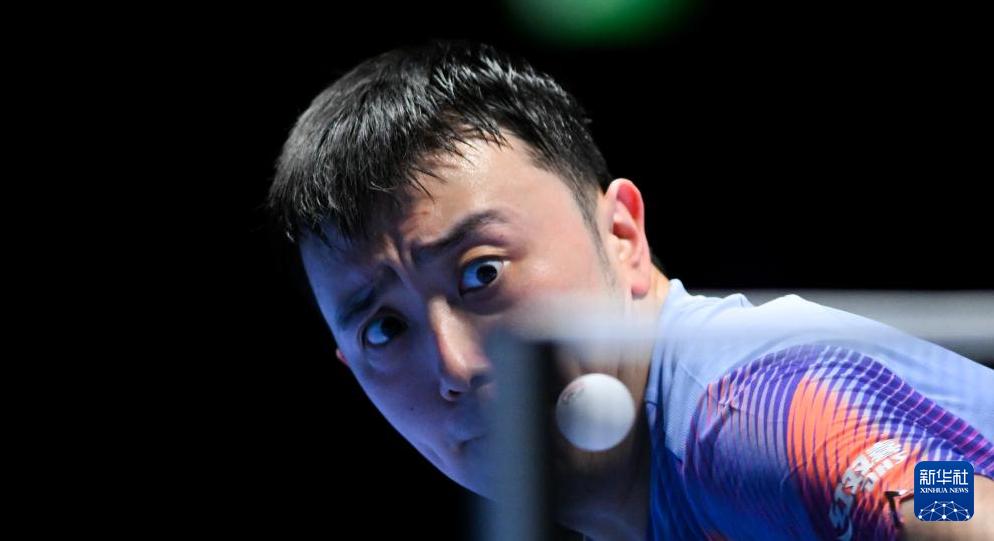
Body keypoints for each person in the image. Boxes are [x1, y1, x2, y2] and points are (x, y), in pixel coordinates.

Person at [264, 38, 994, 540]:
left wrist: (897, 494)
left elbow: (952, 504)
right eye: (385, 328)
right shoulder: (665, 492)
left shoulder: (744, 418)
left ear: (622, 234)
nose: (456, 366)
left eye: (482, 272)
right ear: (349, 367)